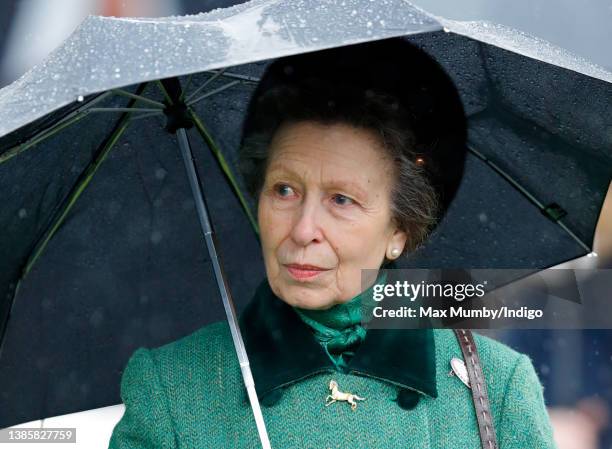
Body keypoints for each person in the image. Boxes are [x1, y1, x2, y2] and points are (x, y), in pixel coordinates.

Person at [108, 38, 557, 448]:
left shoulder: (498, 389)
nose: (303, 229)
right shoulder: (172, 388)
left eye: (341, 199)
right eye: (284, 190)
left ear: (398, 231)